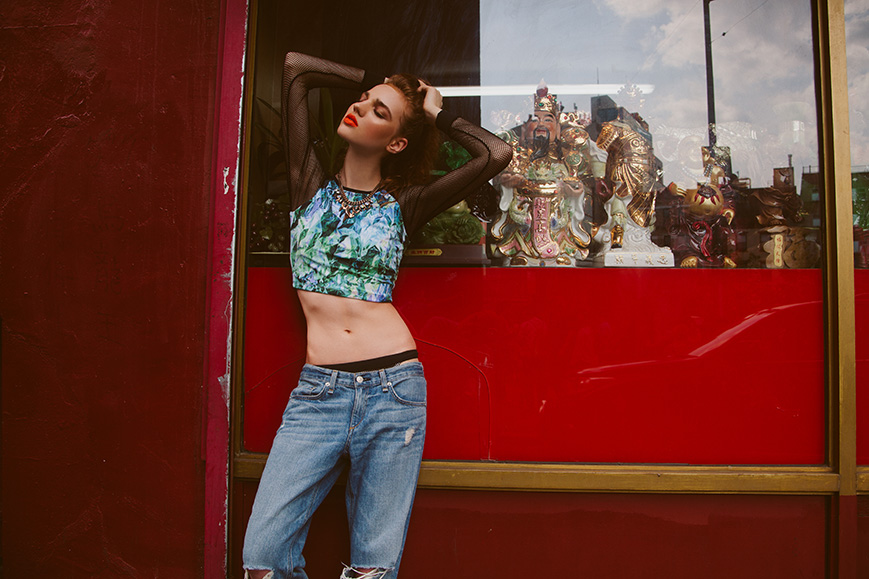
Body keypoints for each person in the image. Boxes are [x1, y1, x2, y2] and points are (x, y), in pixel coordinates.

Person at [242, 52, 512, 579]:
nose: (360, 108)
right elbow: (295, 68)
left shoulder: (404, 204)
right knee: (263, 559)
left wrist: (435, 113)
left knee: (372, 570)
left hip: (394, 390)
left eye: (379, 112)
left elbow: (495, 153)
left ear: (397, 143)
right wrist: (381, 83)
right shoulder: (308, 184)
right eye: (363, 102)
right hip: (319, 394)